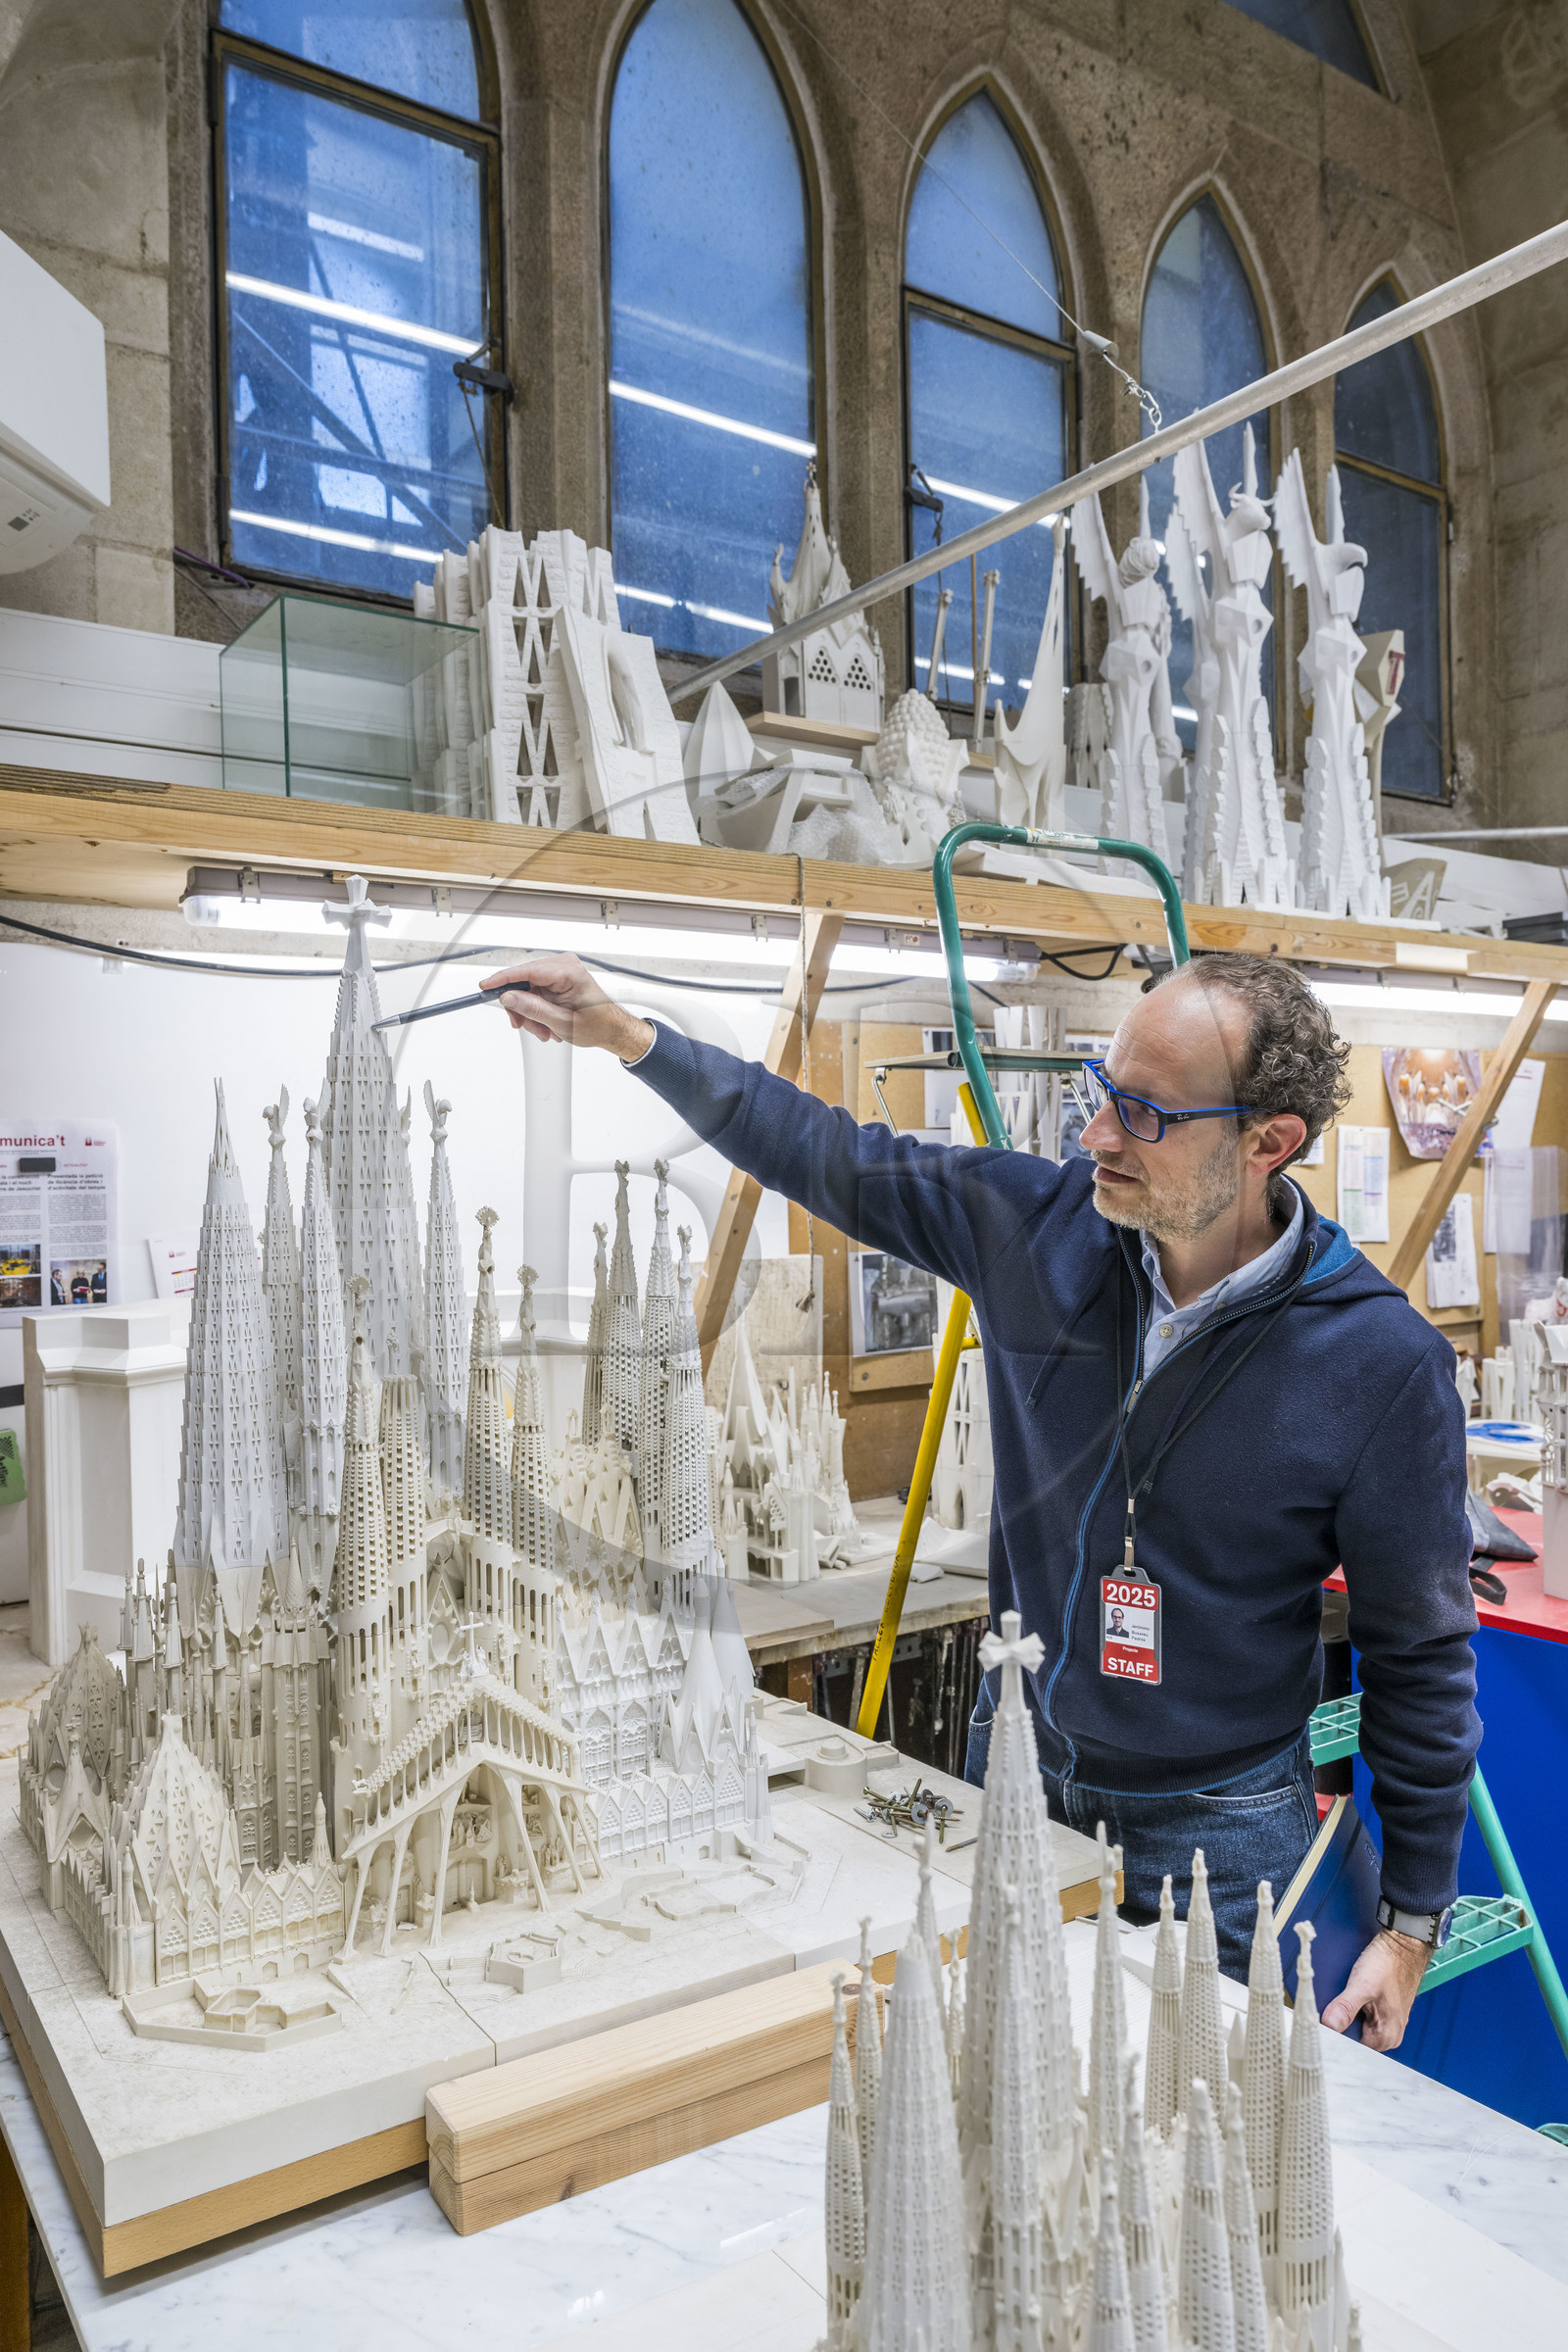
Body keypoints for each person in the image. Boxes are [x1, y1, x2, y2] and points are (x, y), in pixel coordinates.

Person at [484, 949, 1479, 2049]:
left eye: (1143, 1113)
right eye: (1104, 1093)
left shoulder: (1380, 1366)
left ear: (1268, 1143)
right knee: (998, 2110)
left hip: (1224, 1843)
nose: (1097, 1135)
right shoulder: (1039, 1227)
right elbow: (831, 1156)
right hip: (1011, 1775)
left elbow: (1419, 1658)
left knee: (1220, 2168)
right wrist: (630, 1035)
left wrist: (1409, 1922)